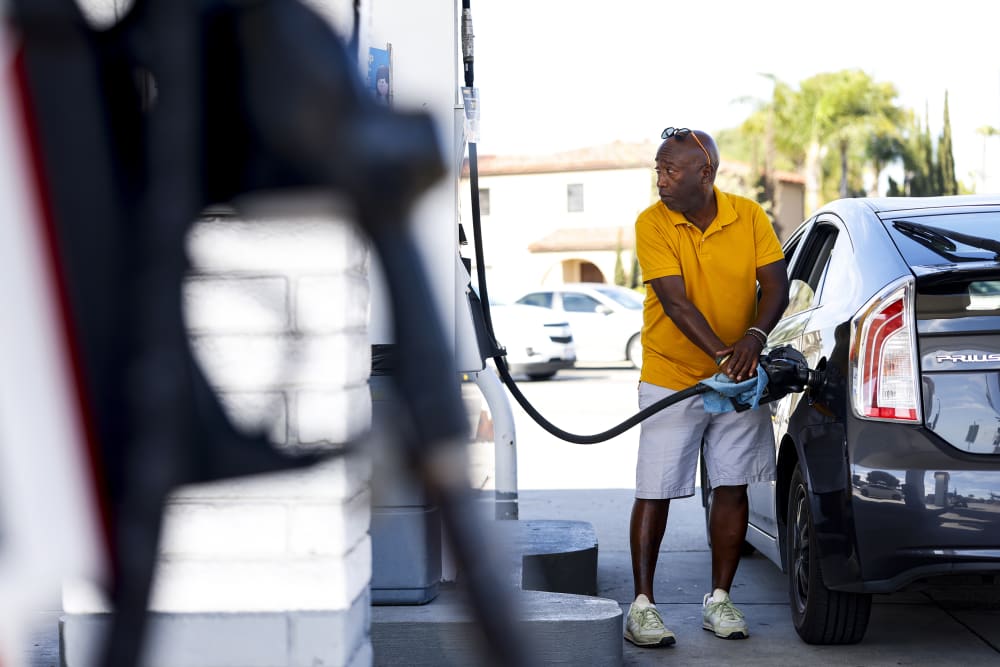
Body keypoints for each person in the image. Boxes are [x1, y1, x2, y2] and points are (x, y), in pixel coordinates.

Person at [624, 127, 789, 648]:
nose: (660, 181)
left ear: (706, 174)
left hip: (739, 372)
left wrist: (754, 341)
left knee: (733, 483)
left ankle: (720, 599)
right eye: (658, 169)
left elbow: (777, 285)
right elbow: (675, 302)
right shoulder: (653, 223)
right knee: (657, 486)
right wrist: (727, 354)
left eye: (670, 171)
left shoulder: (749, 216)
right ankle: (643, 606)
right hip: (671, 373)